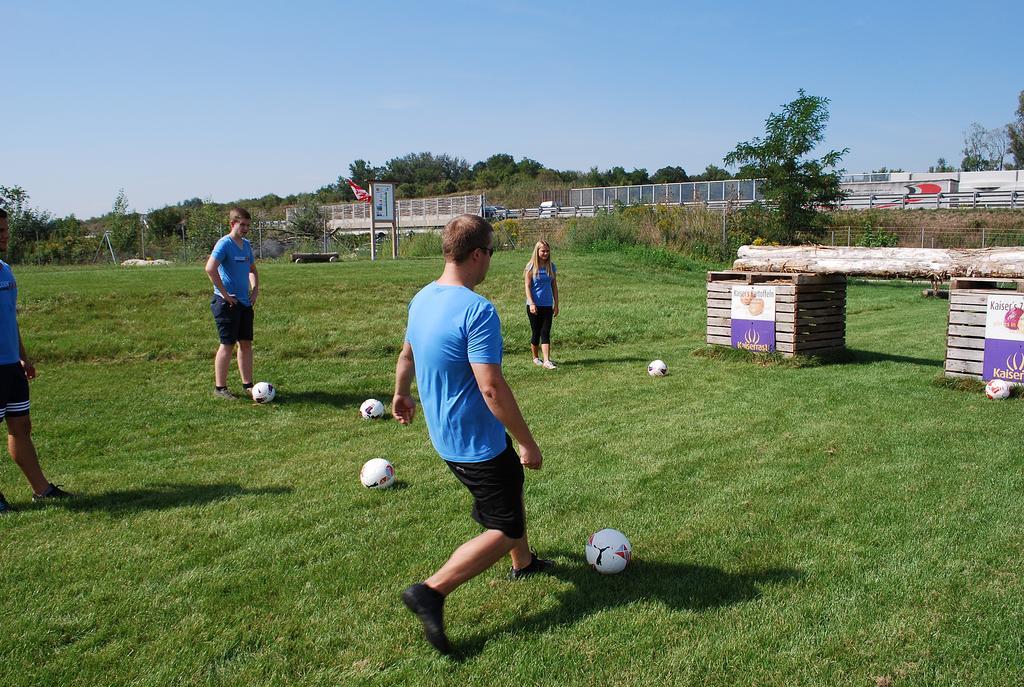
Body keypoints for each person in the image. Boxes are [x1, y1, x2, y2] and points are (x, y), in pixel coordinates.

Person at [393, 214, 552, 654]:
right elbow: (491, 387)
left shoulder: (422, 298)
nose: (490, 264)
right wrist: (527, 441)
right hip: (475, 442)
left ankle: (524, 563)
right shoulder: (477, 310)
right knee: (503, 527)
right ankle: (432, 590)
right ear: (477, 254)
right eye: (491, 254)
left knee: (510, 488)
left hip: (445, 436)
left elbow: (406, 355)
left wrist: (400, 394)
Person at [0, 209, 72, 513]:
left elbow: (10, 319)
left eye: (5, 229)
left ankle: (42, 489)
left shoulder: (5, 269)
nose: (4, 235)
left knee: (21, 426)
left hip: (9, 366)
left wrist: (22, 357)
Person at [204, 207, 259, 400]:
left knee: (245, 344)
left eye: (248, 225)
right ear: (232, 224)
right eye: (242, 224)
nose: (245, 228)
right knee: (226, 344)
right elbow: (210, 269)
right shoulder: (224, 244)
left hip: (244, 303)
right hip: (227, 304)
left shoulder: (246, 245)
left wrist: (255, 290)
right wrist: (225, 295)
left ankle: (248, 385)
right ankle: (220, 388)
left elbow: (252, 269)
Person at [524, 240, 559, 369]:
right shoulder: (531, 266)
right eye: (543, 251)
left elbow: (554, 286)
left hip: (547, 304)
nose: (545, 253)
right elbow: (527, 286)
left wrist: (556, 304)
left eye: (547, 251)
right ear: (537, 251)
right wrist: (532, 303)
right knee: (536, 332)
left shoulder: (551, 266)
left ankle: (546, 360)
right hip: (533, 305)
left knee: (546, 332)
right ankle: (535, 357)